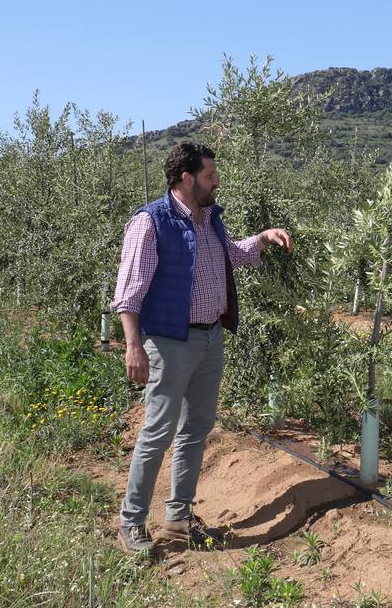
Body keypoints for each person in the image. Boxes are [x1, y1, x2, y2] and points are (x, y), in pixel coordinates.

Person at [111, 141, 292, 555]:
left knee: (195, 430)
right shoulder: (150, 221)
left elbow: (232, 256)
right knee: (157, 432)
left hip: (211, 338)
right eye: (211, 175)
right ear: (186, 178)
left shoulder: (210, 219)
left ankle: (178, 518)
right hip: (171, 342)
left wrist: (262, 238)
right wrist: (133, 345)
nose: (217, 181)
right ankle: (131, 522)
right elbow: (128, 292)